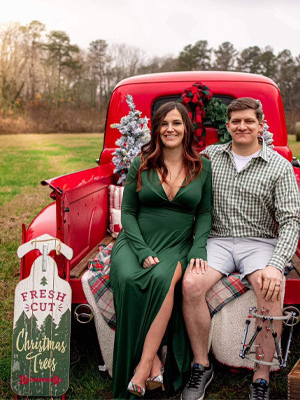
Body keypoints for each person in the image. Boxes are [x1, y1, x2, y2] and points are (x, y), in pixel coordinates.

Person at [181, 97, 300, 400]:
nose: (242, 126)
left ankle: (261, 377)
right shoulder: (210, 157)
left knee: (270, 289)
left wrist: (276, 264)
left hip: (259, 243)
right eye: (236, 121)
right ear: (227, 126)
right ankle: (201, 364)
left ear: (261, 125)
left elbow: (291, 221)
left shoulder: (278, 166)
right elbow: (181, 178)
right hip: (217, 240)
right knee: (191, 284)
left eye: (249, 120)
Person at [110, 101, 212, 399]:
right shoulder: (140, 162)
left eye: (177, 123)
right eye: (164, 123)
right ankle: (153, 363)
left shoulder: (200, 165)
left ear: (186, 128)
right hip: (136, 240)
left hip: (176, 243)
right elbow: (128, 212)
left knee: (164, 280)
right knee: (129, 280)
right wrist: (140, 250)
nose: (170, 129)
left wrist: (199, 246)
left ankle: (141, 370)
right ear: (156, 129)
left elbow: (204, 213)